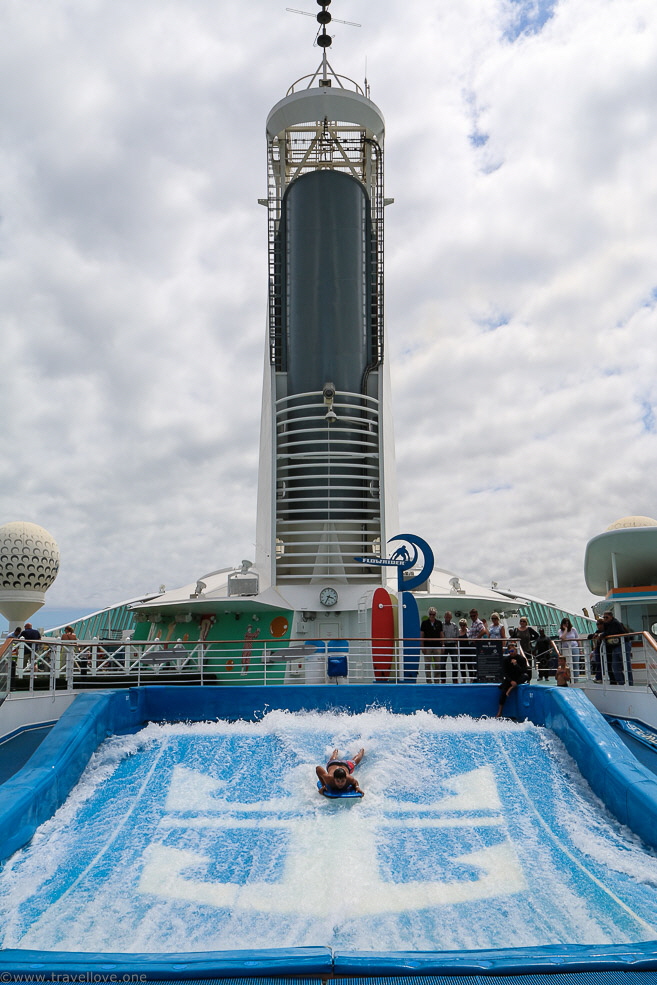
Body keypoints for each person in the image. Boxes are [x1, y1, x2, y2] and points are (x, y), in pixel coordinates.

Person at [495, 643, 530, 717]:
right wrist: (511, 681)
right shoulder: (506, 660)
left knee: (526, 676)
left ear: (516, 650)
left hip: (518, 677)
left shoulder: (521, 659)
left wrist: (516, 665)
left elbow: (523, 671)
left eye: (513, 650)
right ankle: (500, 712)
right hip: (510, 679)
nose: (512, 652)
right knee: (503, 693)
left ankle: (512, 687)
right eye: (510, 651)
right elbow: (505, 672)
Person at [601, 610, 632, 685]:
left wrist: (602, 635)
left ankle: (629, 684)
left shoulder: (615, 623)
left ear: (611, 617)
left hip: (623, 645)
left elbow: (611, 632)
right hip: (615, 646)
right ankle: (622, 683)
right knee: (615, 667)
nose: (605, 619)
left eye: (606, 617)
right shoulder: (607, 624)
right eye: (604, 617)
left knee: (626, 665)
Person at [420, 607, 444, 684]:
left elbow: (441, 634)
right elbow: (422, 635)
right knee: (427, 665)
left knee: (437, 664)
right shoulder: (424, 623)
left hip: (437, 646)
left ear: (435, 614)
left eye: (433, 614)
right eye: (430, 614)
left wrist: (443, 644)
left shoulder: (439, 623)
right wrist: (422, 646)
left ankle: (437, 680)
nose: (432, 616)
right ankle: (429, 681)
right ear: (429, 614)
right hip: (427, 646)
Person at [442, 611, 459, 682]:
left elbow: (457, 637)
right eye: (446, 617)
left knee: (455, 663)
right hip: (444, 645)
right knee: (442, 663)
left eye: (449, 617)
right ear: (444, 617)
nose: (447, 618)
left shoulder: (454, 626)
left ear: (451, 617)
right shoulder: (441, 625)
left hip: (452, 645)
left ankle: (455, 679)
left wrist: (457, 647)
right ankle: (443, 680)